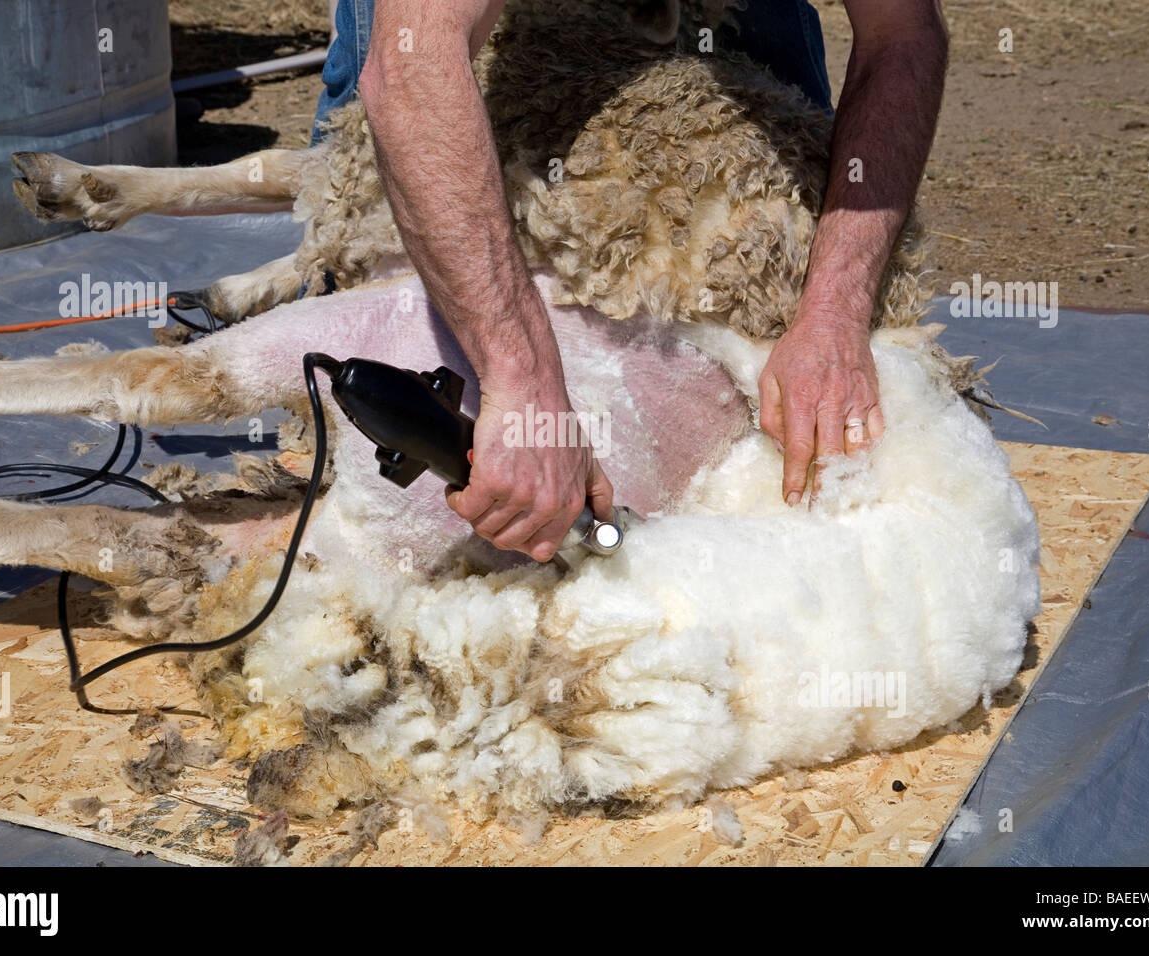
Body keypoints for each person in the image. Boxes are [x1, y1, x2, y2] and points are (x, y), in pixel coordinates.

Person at [312, 0, 948, 561]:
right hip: (456, 42)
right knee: (370, 214)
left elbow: (901, 32)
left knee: (772, 249)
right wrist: (527, 386)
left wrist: (833, 315)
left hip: (732, 29)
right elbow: (415, 66)